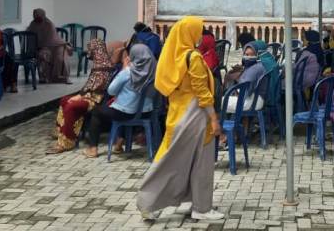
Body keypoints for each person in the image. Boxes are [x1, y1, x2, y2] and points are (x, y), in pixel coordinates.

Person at [137, 16, 224, 222]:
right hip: (195, 115)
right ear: (190, 33)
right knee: (199, 161)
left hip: (178, 114)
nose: (201, 35)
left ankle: (194, 202)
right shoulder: (193, 58)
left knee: (174, 158)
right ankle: (200, 208)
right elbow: (202, 92)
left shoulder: (174, 56)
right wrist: (214, 119)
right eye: (198, 31)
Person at [46, 40, 125, 154]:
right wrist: (80, 95)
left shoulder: (104, 66)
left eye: (91, 50)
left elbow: (97, 88)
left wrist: (80, 96)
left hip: (97, 100)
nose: (89, 53)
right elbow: (89, 86)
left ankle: (67, 141)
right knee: (64, 100)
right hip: (89, 95)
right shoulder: (99, 64)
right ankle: (61, 130)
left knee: (71, 106)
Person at [85, 43, 156, 157]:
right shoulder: (154, 72)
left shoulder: (128, 72)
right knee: (127, 109)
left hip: (125, 113)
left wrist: (123, 69)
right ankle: (119, 143)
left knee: (97, 112)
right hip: (146, 113)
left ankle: (93, 148)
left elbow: (111, 91)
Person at [27, 8, 72, 84]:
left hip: (57, 45)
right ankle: (45, 78)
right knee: (43, 55)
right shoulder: (33, 24)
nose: (36, 17)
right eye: (35, 15)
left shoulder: (48, 24)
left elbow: (52, 38)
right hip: (43, 47)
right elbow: (30, 36)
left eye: (38, 15)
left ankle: (64, 78)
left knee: (60, 58)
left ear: (43, 15)